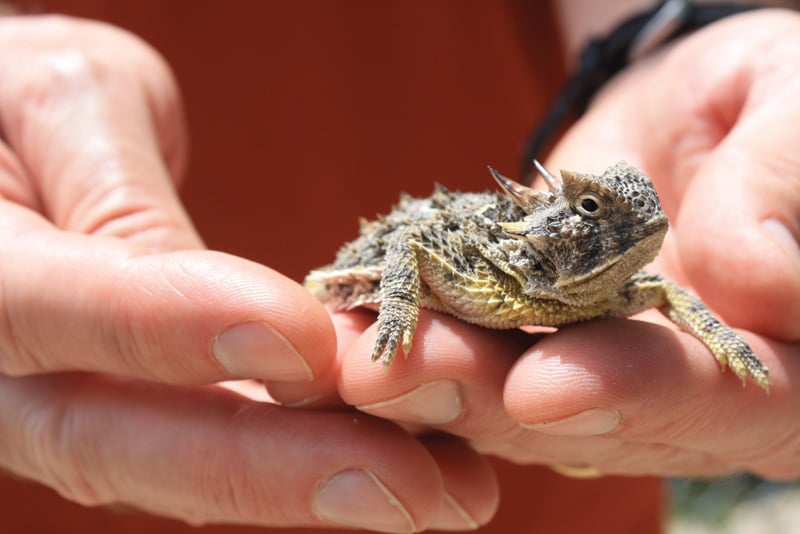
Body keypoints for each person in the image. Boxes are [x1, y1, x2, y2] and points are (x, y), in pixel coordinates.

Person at [0, 1, 797, 532]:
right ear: (561, 224)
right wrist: (403, 309)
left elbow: (661, 289)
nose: (637, 229)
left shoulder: (622, 282)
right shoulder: (493, 273)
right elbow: (416, 247)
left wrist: (681, 29)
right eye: (593, 213)